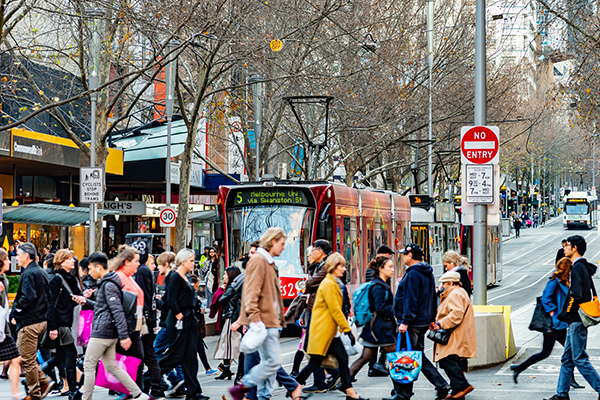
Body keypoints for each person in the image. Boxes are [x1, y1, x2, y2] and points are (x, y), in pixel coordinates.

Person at [294, 253, 367, 400]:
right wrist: (347, 330)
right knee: (315, 364)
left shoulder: (334, 282)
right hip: (323, 332)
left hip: (330, 333)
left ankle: (350, 393)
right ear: (333, 267)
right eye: (341, 266)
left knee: (342, 361)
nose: (344, 269)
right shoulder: (329, 284)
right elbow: (335, 310)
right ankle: (294, 385)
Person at [80, 251, 149, 400]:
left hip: (102, 332)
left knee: (89, 364)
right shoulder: (108, 283)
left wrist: (124, 336)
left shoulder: (108, 284)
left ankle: (86, 398)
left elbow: (117, 310)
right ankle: (138, 394)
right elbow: (103, 307)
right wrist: (86, 301)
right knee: (111, 366)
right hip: (108, 332)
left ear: (98, 267)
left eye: (90, 268)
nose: (89, 272)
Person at [229, 228, 288, 400]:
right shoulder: (259, 261)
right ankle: (244, 386)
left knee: (269, 362)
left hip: (268, 321)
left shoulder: (267, 262)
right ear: (272, 242)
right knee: (272, 362)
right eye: (282, 244)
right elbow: (250, 294)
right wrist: (255, 321)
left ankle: (262, 395)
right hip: (263, 322)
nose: (284, 248)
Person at [386, 244, 450, 400]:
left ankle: (405, 393)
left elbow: (410, 299)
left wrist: (405, 322)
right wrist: (431, 318)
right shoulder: (427, 272)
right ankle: (436, 386)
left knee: (408, 356)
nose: (402, 257)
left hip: (411, 322)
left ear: (410, 256)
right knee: (415, 355)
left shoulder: (413, 274)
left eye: (404, 255)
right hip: (421, 320)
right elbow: (431, 298)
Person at [511, 257, 582, 388]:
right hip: (555, 324)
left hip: (556, 324)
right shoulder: (555, 281)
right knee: (570, 352)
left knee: (545, 352)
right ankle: (570, 380)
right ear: (567, 268)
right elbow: (546, 298)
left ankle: (519, 368)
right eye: (570, 268)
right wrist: (553, 313)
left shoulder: (564, 281)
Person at [544, 235, 600, 400]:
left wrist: (566, 313)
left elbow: (576, 295)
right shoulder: (582, 267)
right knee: (567, 359)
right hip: (575, 320)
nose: (564, 248)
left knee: (579, 359)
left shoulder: (577, 268)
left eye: (567, 245)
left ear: (575, 248)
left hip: (576, 320)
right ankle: (562, 394)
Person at [159, 249, 208, 400]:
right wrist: (179, 314)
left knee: (190, 357)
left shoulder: (185, 277)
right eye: (191, 261)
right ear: (183, 261)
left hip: (189, 318)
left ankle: (193, 392)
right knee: (176, 355)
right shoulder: (175, 277)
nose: (194, 264)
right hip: (180, 320)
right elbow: (170, 299)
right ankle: (149, 379)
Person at [10, 242, 55, 400]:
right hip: (41, 320)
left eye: (18, 255)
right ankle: (43, 382)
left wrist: (16, 313)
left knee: (26, 358)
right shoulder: (40, 271)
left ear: (26, 256)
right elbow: (47, 297)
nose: (16, 258)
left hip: (29, 322)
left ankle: (35, 393)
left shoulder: (29, 273)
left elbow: (28, 297)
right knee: (28, 357)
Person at [42, 249, 86, 400]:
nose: (73, 261)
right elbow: (51, 304)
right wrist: (52, 327)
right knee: (71, 353)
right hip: (60, 322)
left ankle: (40, 373)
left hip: (66, 320)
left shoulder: (70, 278)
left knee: (60, 355)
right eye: (70, 259)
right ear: (61, 262)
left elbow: (74, 297)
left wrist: (84, 296)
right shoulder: (56, 279)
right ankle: (73, 390)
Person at [430, 271, 476, 399]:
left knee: (446, 359)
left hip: (455, 334)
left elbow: (456, 314)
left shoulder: (455, 293)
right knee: (453, 361)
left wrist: (440, 324)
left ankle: (463, 385)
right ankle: (457, 391)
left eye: (444, 283)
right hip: (457, 333)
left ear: (451, 282)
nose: (442, 286)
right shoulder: (457, 292)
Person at [350, 256, 396, 381]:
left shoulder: (379, 284)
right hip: (381, 329)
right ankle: (400, 389)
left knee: (366, 357)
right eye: (390, 267)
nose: (392, 270)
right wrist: (396, 310)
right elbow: (381, 308)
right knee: (397, 358)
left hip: (374, 328)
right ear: (381, 269)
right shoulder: (378, 287)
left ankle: (345, 381)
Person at [301, 239, 334, 393]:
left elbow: (309, 284)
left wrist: (308, 285)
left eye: (313, 250)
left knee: (313, 347)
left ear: (320, 252)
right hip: (316, 309)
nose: (311, 253)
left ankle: (325, 379)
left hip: (321, 311)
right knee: (317, 348)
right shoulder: (318, 266)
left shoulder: (327, 265)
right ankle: (334, 375)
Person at [133, 241, 164, 398]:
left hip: (145, 319)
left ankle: (150, 387)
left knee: (145, 355)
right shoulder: (145, 271)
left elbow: (142, 297)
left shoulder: (142, 271)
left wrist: (142, 320)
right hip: (148, 318)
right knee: (147, 354)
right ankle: (151, 386)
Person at [154, 252, 186, 397]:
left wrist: (157, 301)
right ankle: (180, 383)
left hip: (169, 323)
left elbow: (169, 303)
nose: (156, 267)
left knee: (156, 351)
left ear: (166, 264)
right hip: (172, 323)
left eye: (159, 264)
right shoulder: (173, 277)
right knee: (175, 353)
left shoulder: (171, 278)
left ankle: (175, 380)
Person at [210, 267, 242, 380]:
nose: (223, 277)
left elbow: (218, 300)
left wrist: (220, 290)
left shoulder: (232, 288)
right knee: (229, 344)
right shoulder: (237, 287)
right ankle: (227, 369)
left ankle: (237, 371)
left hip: (232, 318)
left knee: (230, 344)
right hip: (233, 317)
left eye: (225, 274)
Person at [0, 248, 23, 400]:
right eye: (7, 258)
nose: (10, 261)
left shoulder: (3, 278)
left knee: (16, 358)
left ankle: (16, 394)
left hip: (3, 328)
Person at [190, 275, 218, 376]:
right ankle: (206, 368)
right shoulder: (192, 295)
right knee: (196, 348)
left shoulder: (192, 294)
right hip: (193, 324)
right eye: (197, 284)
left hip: (194, 323)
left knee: (199, 347)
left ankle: (207, 368)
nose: (197, 286)